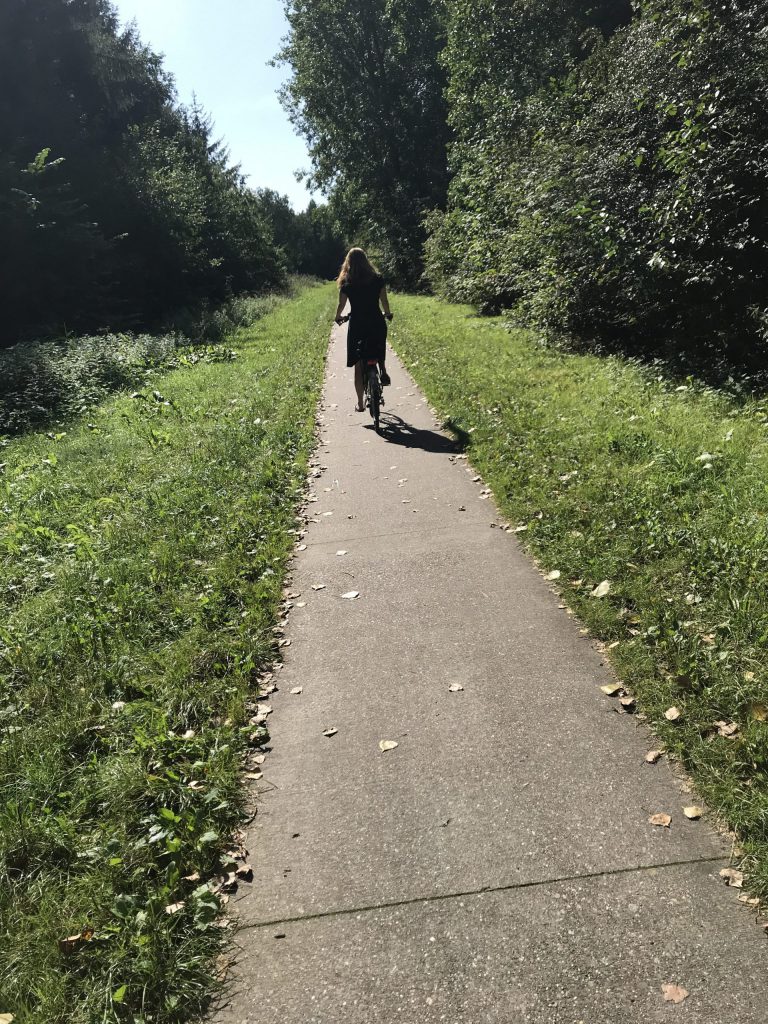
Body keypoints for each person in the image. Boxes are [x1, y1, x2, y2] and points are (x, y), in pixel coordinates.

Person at [334, 247, 393, 411]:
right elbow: (384, 301)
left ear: (349, 263)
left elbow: (341, 305)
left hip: (357, 324)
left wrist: (338, 317)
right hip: (376, 321)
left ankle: (360, 404)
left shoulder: (347, 282)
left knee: (359, 365)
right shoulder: (378, 279)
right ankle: (383, 370)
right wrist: (387, 313)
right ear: (366, 261)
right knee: (378, 346)